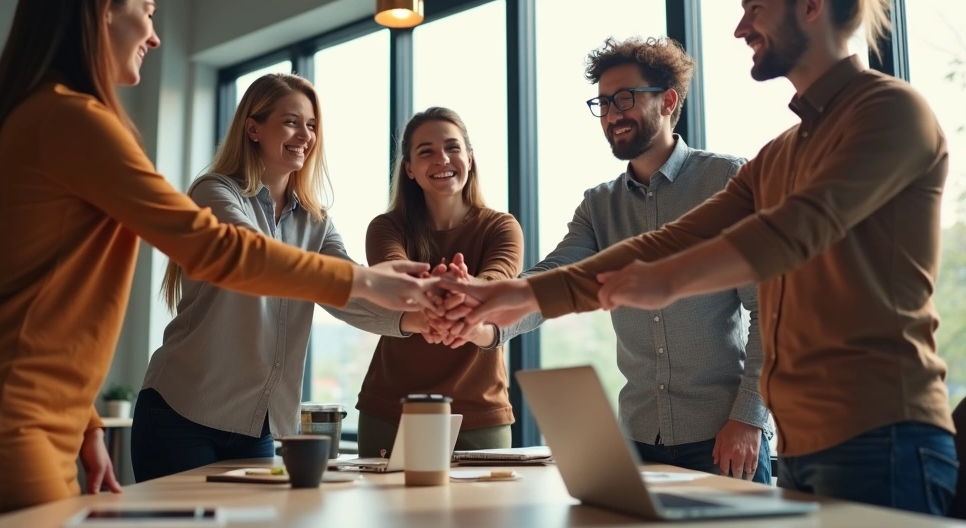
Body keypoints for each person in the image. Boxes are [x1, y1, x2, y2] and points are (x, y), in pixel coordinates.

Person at [0, 0, 439, 526]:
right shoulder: (80, 123)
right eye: (148, 13)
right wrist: (363, 280)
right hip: (14, 434)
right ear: (104, 7)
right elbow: (214, 249)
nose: (154, 35)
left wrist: (81, 421)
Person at [442, 0, 958, 515]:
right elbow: (668, 241)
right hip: (803, 445)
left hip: (883, 436)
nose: (740, 29)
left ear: (811, 5)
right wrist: (518, 293)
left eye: (754, 8)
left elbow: (792, 232)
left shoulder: (889, 110)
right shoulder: (781, 154)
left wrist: (669, 279)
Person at [448, 36, 769, 482]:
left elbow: (770, 309)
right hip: (637, 441)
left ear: (668, 100)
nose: (613, 114)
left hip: (724, 438)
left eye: (625, 98)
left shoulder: (726, 181)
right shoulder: (599, 206)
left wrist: (750, 418)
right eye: (603, 103)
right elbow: (552, 281)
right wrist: (483, 325)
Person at [131, 73, 443, 481]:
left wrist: (416, 319)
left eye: (312, 125)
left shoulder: (316, 222)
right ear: (253, 128)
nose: (306, 135)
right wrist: (368, 280)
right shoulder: (215, 193)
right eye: (292, 121)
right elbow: (253, 259)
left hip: (257, 426)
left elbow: (345, 291)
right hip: (182, 414)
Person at [355, 107, 523, 458]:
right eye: (426, 151)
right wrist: (459, 288)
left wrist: (454, 288)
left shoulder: (502, 227)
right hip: (391, 409)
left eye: (452, 147)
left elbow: (496, 290)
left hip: (478, 410)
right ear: (409, 169)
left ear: (470, 158)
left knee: (481, 514)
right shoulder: (385, 228)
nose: (442, 158)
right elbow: (398, 282)